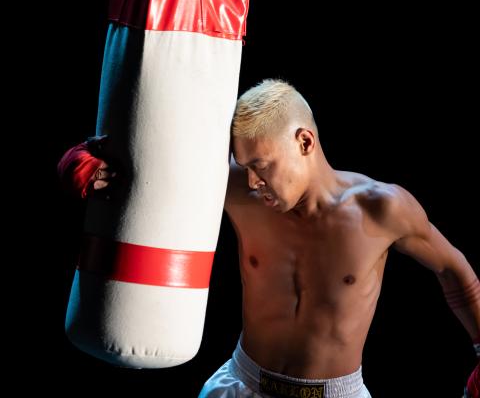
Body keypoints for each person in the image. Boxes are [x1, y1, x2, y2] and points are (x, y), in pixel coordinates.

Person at [57, 78, 479, 397]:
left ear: (305, 142)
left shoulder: (381, 209)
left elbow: (456, 272)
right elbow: (149, 162)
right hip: (241, 383)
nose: (253, 182)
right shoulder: (237, 187)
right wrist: (84, 158)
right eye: (245, 166)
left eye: (261, 165)